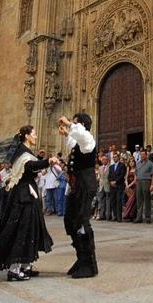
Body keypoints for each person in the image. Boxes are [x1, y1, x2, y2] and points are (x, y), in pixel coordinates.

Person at [0, 126, 54, 281]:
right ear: (27, 136)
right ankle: (14, 270)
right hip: (23, 196)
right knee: (21, 229)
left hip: (28, 193)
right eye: (34, 134)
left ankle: (25, 265)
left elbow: (29, 170)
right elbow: (29, 166)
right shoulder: (22, 151)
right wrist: (48, 161)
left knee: (31, 228)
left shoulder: (25, 151)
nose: (36, 136)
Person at [58, 113, 98, 279]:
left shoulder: (89, 139)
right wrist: (67, 133)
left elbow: (83, 138)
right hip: (76, 187)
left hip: (85, 186)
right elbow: (76, 141)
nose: (72, 125)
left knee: (82, 222)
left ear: (81, 124)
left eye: (75, 123)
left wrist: (69, 123)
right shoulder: (80, 142)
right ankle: (81, 258)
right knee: (70, 220)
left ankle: (89, 264)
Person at [134, 149, 153, 224]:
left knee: (147, 200)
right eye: (141, 154)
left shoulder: (150, 164)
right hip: (139, 182)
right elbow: (136, 174)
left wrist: (152, 185)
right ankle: (139, 217)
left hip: (146, 182)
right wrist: (135, 182)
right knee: (139, 200)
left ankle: (148, 217)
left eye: (143, 154)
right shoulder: (138, 163)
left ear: (146, 155)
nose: (142, 156)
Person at [108, 151, 126, 222]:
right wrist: (111, 182)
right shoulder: (111, 167)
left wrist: (116, 181)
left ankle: (119, 217)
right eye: (114, 157)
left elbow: (122, 175)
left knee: (118, 201)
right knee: (113, 201)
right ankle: (115, 216)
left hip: (119, 186)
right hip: (112, 187)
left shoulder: (122, 165)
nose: (115, 158)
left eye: (116, 157)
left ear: (118, 157)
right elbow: (109, 176)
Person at [122, 157, 137, 221]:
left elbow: (135, 180)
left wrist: (129, 186)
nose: (131, 163)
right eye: (130, 162)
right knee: (128, 200)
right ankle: (128, 216)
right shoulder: (128, 168)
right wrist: (127, 185)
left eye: (132, 162)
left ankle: (127, 214)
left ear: (134, 163)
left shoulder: (136, 169)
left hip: (134, 187)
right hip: (128, 187)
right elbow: (125, 178)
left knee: (131, 200)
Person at [96, 155, 110, 220]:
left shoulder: (110, 167)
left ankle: (107, 215)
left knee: (108, 201)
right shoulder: (100, 168)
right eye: (103, 160)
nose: (104, 161)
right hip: (101, 186)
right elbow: (99, 177)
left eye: (105, 160)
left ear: (107, 160)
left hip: (107, 185)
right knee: (101, 201)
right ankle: (101, 215)